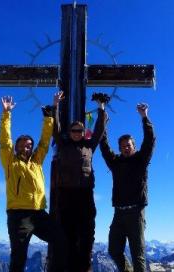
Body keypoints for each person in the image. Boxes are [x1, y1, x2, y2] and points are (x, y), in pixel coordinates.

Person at [0, 94, 65, 272]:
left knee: (61, 239)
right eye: (21, 144)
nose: (25, 147)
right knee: (19, 256)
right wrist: (6, 114)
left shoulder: (36, 161)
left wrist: (49, 117)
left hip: (39, 214)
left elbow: (44, 142)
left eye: (28, 145)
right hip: (18, 215)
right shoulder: (10, 162)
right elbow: (5, 141)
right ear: (16, 147)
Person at [52, 91, 107, 272]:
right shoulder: (63, 144)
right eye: (74, 130)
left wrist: (101, 108)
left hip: (85, 194)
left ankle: (85, 268)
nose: (77, 133)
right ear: (70, 132)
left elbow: (99, 129)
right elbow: (56, 128)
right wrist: (56, 106)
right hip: (66, 195)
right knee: (67, 234)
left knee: (87, 234)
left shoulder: (89, 146)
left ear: (84, 133)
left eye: (80, 131)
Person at [99, 103, 156, 272]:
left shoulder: (141, 160)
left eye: (128, 145)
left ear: (134, 146)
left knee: (137, 253)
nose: (125, 147)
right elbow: (104, 147)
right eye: (123, 145)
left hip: (136, 212)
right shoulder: (115, 163)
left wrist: (144, 117)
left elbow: (150, 141)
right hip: (119, 213)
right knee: (114, 250)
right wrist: (103, 122)